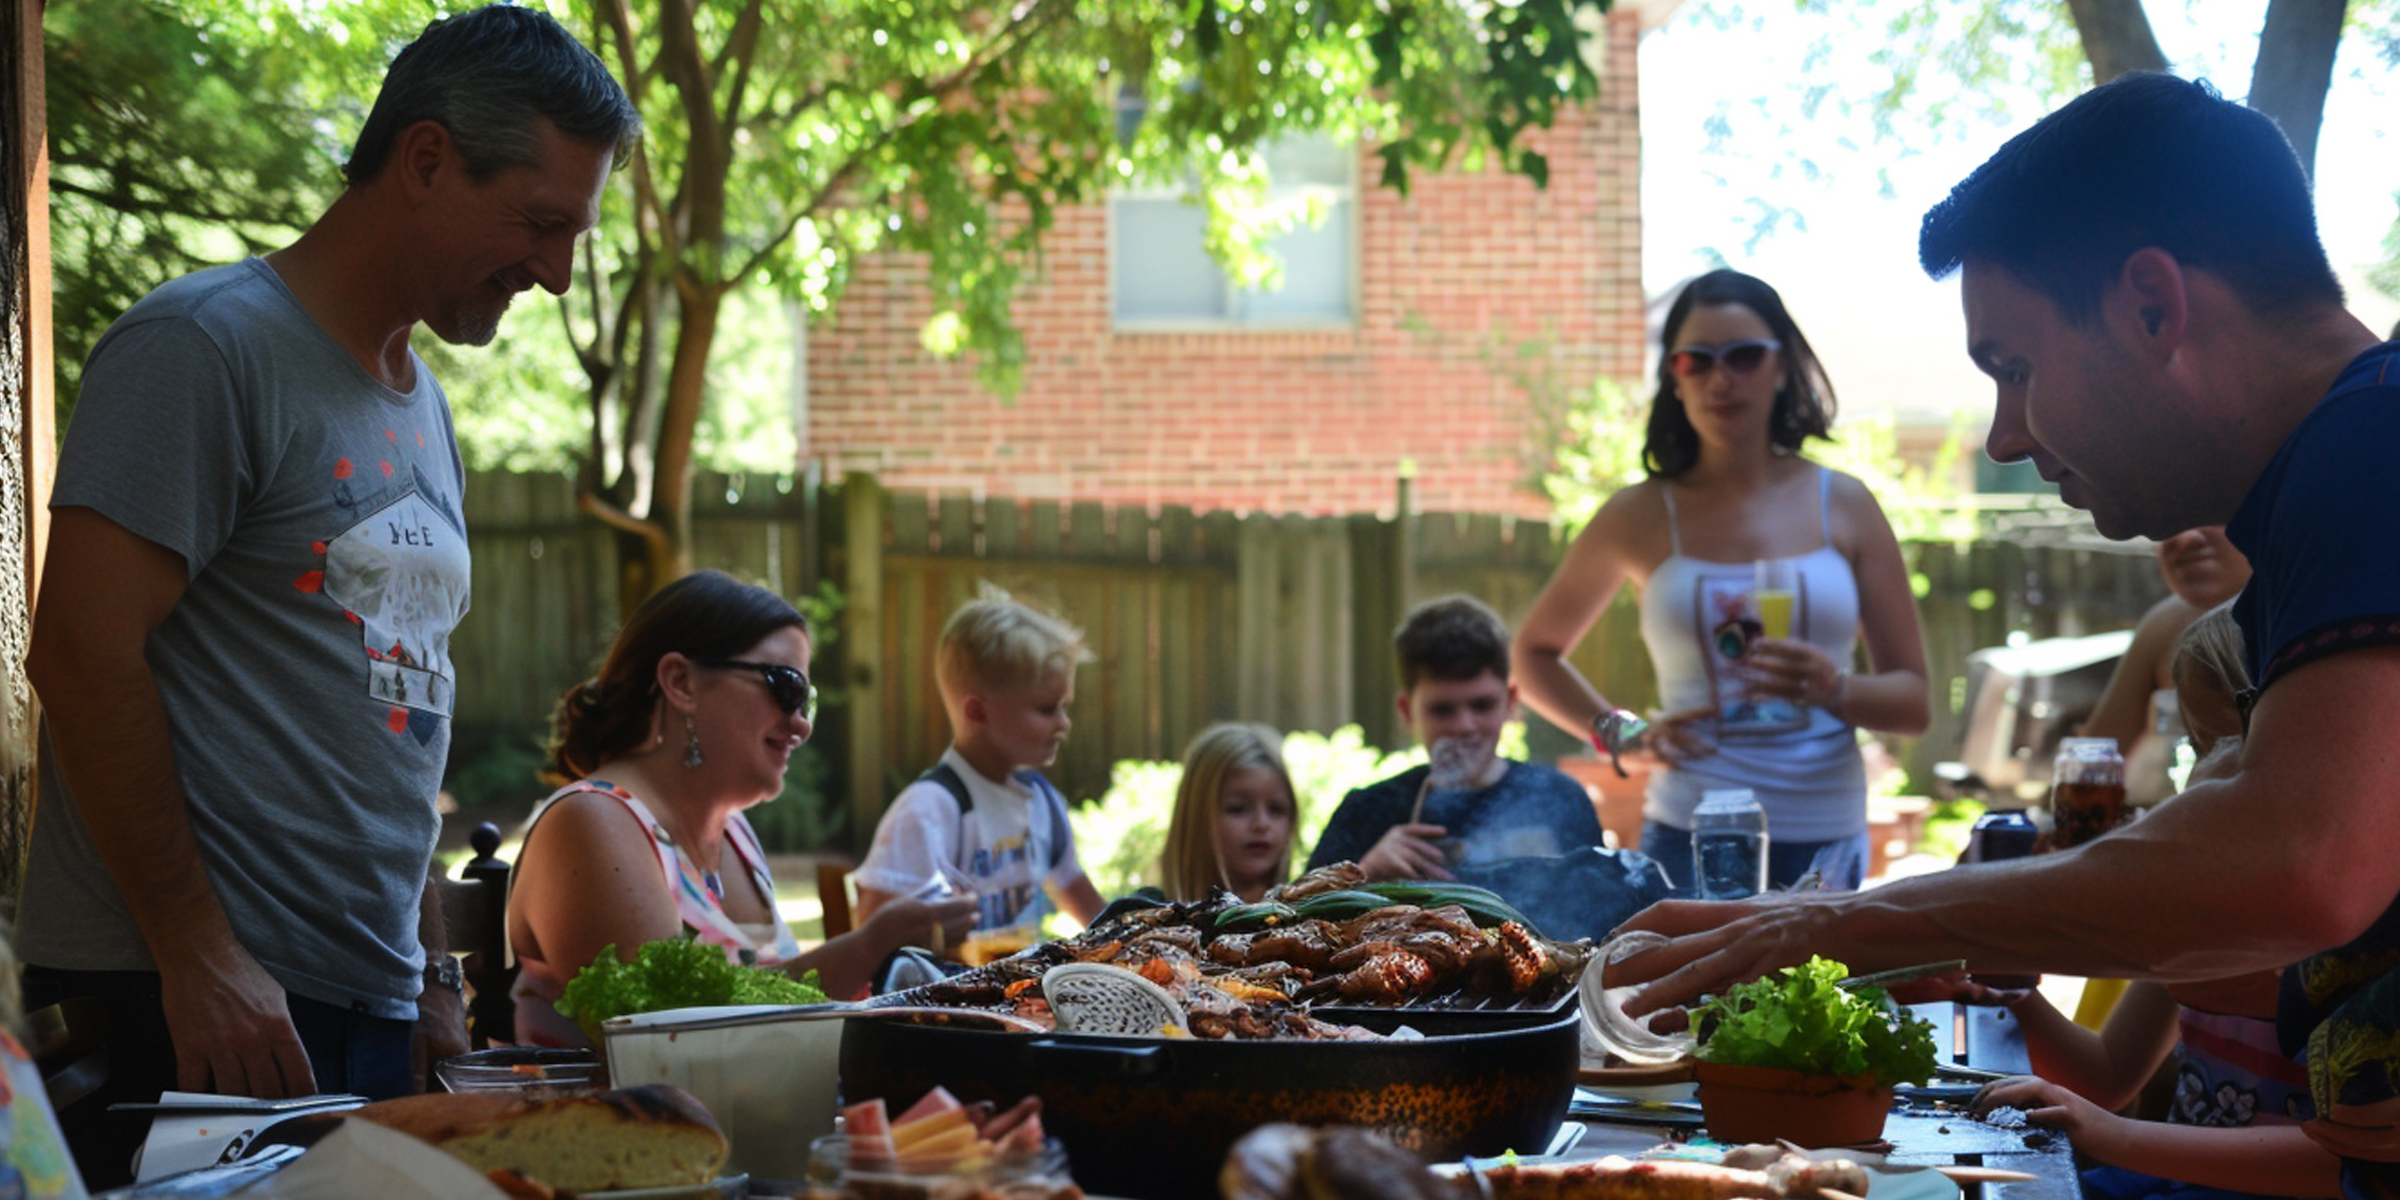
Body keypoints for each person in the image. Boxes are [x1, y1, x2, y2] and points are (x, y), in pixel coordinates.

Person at [1610, 74, 2400, 1195]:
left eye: (2014, 368)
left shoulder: (2366, 446)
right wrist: (1905, 936)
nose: (2007, 433)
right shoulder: (2339, 475)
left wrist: (1838, 928)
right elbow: (2273, 927)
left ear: (2153, 306)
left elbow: (2298, 862)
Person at [15, 6, 639, 1186]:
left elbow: (398, 702)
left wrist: (430, 973)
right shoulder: (202, 348)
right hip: (185, 1003)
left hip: (359, 1004)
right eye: (542, 223)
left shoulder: (420, 403)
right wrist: (198, 955)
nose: (557, 275)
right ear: (426, 159)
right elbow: (80, 658)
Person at [1512, 269, 1931, 892]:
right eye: (1696, 360)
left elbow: (1915, 701)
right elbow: (1531, 656)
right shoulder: (1640, 514)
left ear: (1783, 367)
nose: (1721, 378)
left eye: (1744, 356)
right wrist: (1625, 736)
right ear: (1673, 378)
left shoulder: (1844, 504)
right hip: (1687, 835)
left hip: (1825, 838)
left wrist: (1834, 689)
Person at [504, 571, 977, 1044]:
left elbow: (762, 1010)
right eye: (785, 686)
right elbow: (667, 1040)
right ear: (681, 682)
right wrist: (868, 945)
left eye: (805, 702)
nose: (801, 726)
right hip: (611, 1116)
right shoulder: (592, 823)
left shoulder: (735, 834)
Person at [1963, 605, 2334, 1199]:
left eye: (2235, 743)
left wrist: (2116, 1137)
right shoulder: (2200, 895)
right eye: (2196, 744)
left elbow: (2350, 1162)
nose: (2207, 773)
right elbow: (2107, 1074)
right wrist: (2007, 987)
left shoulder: (2356, 927)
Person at [854, 591, 1107, 936]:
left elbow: (1088, 907)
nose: (1064, 724)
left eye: (1065, 707)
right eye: (1048, 709)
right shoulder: (930, 811)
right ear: (977, 712)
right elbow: (871, 927)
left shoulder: (1043, 803)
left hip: (1020, 985)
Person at [1305, 595, 1606, 881]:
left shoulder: (1560, 799)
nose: (1464, 726)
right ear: (1407, 711)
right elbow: (1292, 918)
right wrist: (1364, 874)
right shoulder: (1367, 812)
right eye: (1442, 710)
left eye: (1482, 705)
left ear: (1510, 701)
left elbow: (1605, 912)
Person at [2078, 527, 2252, 806]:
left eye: (2208, 515)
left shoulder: (2305, 624)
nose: (2183, 539)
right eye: (2167, 525)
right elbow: (2090, 765)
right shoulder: (2164, 623)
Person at [1159, 723, 1300, 903]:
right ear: (1195, 817)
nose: (1261, 824)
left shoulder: (1321, 921)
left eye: (1276, 809)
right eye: (1238, 808)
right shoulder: (1143, 920)